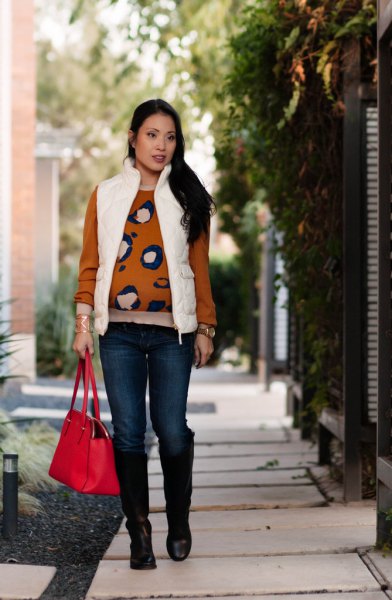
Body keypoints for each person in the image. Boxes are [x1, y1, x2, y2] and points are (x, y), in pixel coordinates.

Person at [72, 99, 217, 570]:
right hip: (117, 334)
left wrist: (205, 327)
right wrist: (82, 327)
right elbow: (90, 264)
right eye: (152, 134)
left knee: (172, 431)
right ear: (133, 137)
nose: (161, 144)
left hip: (172, 335)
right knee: (129, 433)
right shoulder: (106, 194)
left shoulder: (187, 195)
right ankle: (139, 534)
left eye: (170, 136)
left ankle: (178, 520)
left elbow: (199, 269)